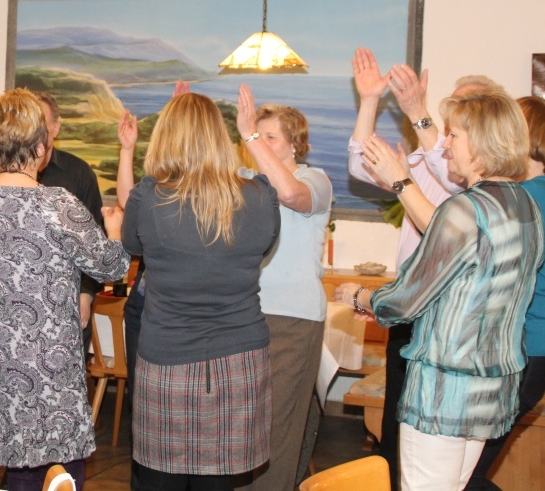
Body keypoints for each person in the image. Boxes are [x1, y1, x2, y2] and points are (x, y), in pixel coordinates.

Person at [336, 90, 544, 491]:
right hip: (491, 383)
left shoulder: (466, 209)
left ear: (481, 143)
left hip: (445, 388)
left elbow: (405, 301)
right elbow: (466, 271)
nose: (445, 145)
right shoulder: (525, 205)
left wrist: (359, 296)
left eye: (454, 135)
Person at [0, 88, 129, 491]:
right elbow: (112, 267)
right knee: (59, 462)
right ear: (42, 148)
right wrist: (114, 229)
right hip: (44, 354)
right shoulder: (58, 204)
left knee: (21, 459)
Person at [347, 47, 502, 488]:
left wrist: (417, 113)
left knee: (433, 442)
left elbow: (444, 189)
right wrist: (370, 100)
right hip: (409, 308)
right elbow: (360, 167)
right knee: (397, 423)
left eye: (466, 109)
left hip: (449, 321)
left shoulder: (472, 175)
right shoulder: (433, 155)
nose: (450, 125)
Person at [124, 92, 280, 491]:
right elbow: (263, 247)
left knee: (159, 482)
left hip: (167, 359)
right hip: (240, 359)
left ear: (165, 137)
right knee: (219, 484)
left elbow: (130, 245)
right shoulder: (260, 196)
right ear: (220, 137)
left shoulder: (148, 197)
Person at [465, 97, 545, 489]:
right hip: (526, 349)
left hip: (520, 351)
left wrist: (401, 182)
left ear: (533, 140)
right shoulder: (544, 192)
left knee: (462, 476)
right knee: (464, 473)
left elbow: (458, 240)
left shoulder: (531, 195)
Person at [234, 85, 332, 491]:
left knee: (276, 424)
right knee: (241, 423)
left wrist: (250, 136)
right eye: (258, 136)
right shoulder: (244, 180)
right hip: (244, 313)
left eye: (270, 136)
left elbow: (290, 194)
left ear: (295, 144)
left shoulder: (314, 179)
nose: (261, 144)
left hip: (293, 317)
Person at [0, 91, 105, 336]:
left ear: (54, 128)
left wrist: (86, 294)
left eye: (39, 125)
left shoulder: (79, 174)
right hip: (4, 308)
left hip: (64, 308)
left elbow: (95, 245)